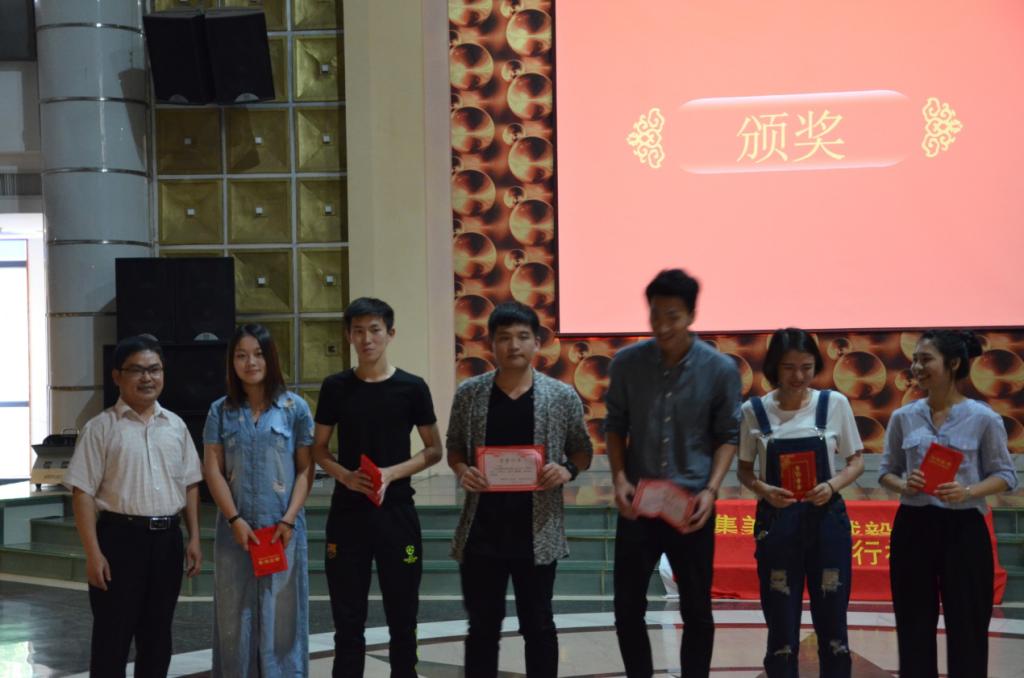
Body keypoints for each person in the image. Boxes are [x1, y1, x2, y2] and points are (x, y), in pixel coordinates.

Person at [605, 268, 742, 678]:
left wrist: (712, 490)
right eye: (655, 315)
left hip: (691, 504)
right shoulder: (627, 364)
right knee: (627, 607)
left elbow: (727, 435)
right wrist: (619, 478)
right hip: (638, 504)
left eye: (673, 316)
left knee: (697, 609)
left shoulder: (720, 370)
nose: (662, 326)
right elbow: (615, 426)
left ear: (692, 315)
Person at [448, 300, 593, 678]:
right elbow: (454, 449)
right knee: (482, 629)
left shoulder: (560, 395)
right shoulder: (470, 394)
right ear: (491, 344)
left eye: (522, 337)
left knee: (539, 625)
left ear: (537, 343)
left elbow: (583, 450)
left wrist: (566, 470)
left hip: (537, 533)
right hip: (482, 533)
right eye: (504, 338)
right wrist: (463, 471)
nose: (513, 345)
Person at [312, 297, 442, 678]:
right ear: (348, 336)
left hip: (396, 512)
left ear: (390, 333)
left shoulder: (412, 387)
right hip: (348, 514)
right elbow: (318, 449)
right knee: (347, 618)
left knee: (403, 615)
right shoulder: (335, 387)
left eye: (374, 330)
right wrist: (345, 476)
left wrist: (391, 473)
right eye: (358, 331)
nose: (366, 338)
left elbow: (434, 450)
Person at [879, 329, 1017, 678]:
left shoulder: (983, 418)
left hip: (964, 529)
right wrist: (904, 484)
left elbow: (1005, 475)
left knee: (968, 624)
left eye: (926, 360)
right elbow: (886, 472)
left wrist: (968, 491)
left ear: (953, 363)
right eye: (915, 360)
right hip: (914, 526)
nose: (916, 367)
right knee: (913, 622)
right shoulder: (903, 417)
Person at [64, 334, 203, 677]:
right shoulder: (100, 428)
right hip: (119, 541)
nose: (147, 377)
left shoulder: (176, 426)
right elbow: (82, 493)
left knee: (157, 637)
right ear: (117, 376)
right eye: (137, 370)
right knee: (112, 638)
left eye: (154, 369)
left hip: (167, 541)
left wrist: (195, 538)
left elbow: (190, 484)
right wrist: (93, 554)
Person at [736, 328, 865, 677]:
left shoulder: (834, 404)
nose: (798, 376)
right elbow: (744, 470)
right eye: (789, 367)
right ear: (773, 368)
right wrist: (764, 490)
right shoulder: (754, 411)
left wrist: (832, 485)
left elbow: (856, 461)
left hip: (827, 523)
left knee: (834, 627)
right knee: (781, 628)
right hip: (778, 525)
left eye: (807, 367)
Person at [202, 324, 315, 676]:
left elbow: (305, 470)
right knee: (234, 617)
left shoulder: (295, 408)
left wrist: (289, 518)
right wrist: (234, 519)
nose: (250, 362)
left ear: (271, 358)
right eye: (241, 355)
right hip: (235, 532)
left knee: (283, 617)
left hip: (283, 531)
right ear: (232, 362)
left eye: (258, 354)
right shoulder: (220, 411)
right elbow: (212, 469)